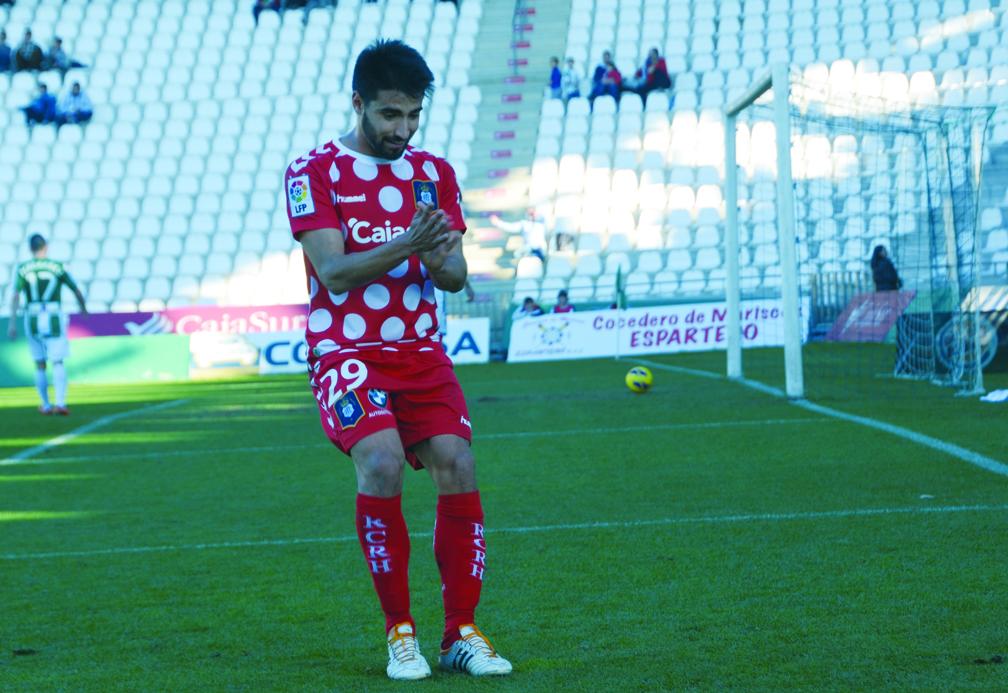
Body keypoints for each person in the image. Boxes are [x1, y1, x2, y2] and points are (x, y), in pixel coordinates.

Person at [283, 39, 512, 681]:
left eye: (413, 115)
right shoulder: (313, 171)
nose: (402, 130)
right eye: (389, 115)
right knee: (381, 463)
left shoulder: (433, 173)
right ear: (358, 102)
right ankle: (400, 634)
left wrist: (440, 257)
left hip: (420, 350)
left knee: (458, 463)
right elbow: (333, 271)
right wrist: (411, 242)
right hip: (346, 351)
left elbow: (456, 275)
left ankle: (460, 633)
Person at [7, 234, 87, 415]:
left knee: (40, 363)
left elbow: (15, 295)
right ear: (46, 247)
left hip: (33, 316)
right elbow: (75, 289)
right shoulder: (57, 267)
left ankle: (46, 404)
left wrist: (12, 323)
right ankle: (61, 403)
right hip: (53, 315)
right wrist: (83, 308)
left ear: (30, 248)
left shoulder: (23, 268)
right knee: (57, 361)